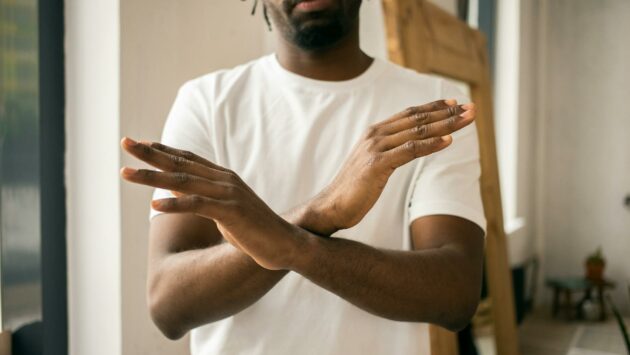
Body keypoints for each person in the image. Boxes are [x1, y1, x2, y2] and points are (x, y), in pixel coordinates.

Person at [120, 0, 486, 354]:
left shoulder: (434, 107)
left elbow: (455, 294)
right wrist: (319, 213)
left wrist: (292, 244)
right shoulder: (206, 102)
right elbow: (169, 305)